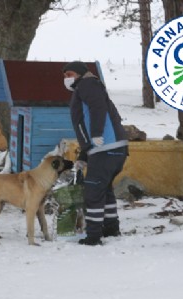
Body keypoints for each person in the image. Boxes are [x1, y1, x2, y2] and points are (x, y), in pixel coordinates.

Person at [62, 61, 128, 246]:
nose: (67, 79)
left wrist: (97, 133)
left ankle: (93, 236)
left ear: (81, 73)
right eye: (65, 76)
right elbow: (86, 121)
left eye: (70, 74)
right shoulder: (88, 86)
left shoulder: (87, 84)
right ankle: (111, 228)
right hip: (112, 148)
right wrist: (84, 155)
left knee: (93, 192)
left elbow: (97, 108)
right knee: (104, 190)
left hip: (106, 147)